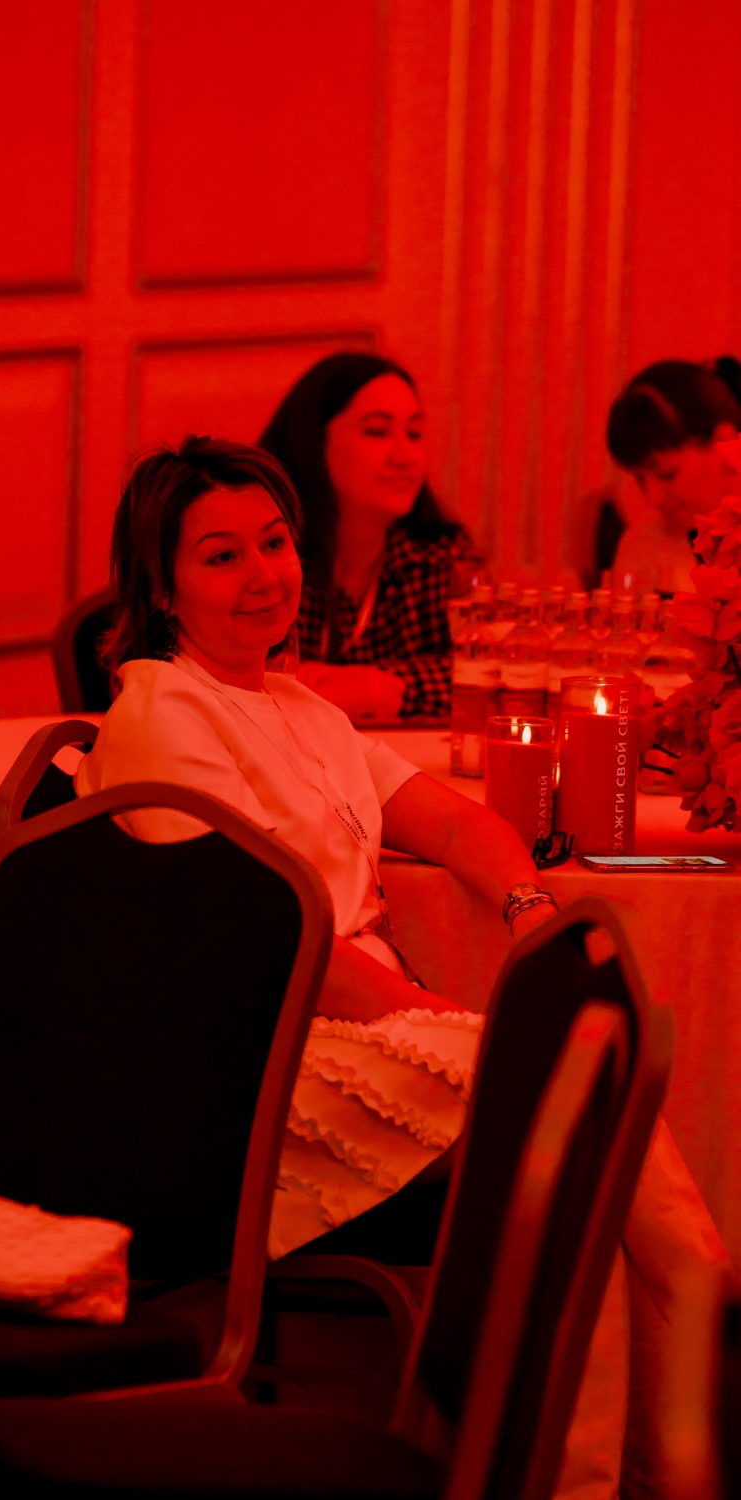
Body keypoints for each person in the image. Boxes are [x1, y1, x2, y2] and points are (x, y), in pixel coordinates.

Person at [79, 435, 733, 1499]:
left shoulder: (299, 708)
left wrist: (528, 912)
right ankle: (694, 1364)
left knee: (575, 1145)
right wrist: (431, 1012)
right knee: (570, 1107)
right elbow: (269, 940)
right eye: (221, 556)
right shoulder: (163, 713)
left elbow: (454, 821)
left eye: (274, 543)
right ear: (161, 585)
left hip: (356, 1032)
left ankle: (640, 1454)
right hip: (256, 1067)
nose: (263, 574)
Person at [259, 352, 479, 722]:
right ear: (313, 440)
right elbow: (217, 677)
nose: (405, 456)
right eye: (378, 431)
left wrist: (386, 686)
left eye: (414, 434)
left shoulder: (439, 555)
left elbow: (490, 671)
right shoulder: (267, 555)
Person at [607, 357, 741, 596]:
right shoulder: (644, 546)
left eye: (667, 474)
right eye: (640, 479)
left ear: (724, 443)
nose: (653, 499)